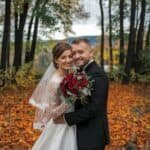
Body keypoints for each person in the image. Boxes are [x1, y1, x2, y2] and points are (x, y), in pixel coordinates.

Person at [54, 38, 110, 150]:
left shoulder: (98, 75)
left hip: (91, 135)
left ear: (91, 53)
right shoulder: (78, 72)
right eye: (73, 53)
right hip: (77, 131)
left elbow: (93, 108)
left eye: (81, 52)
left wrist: (65, 118)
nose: (76, 56)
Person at [29, 42, 77, 150]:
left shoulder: (71, 74)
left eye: (70, 56)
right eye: (63, 57)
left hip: (74, 121)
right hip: (62, 127)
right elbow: (52, 113)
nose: (68, 60)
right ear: (56, 60)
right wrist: (71, 100)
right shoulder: (55, 81)